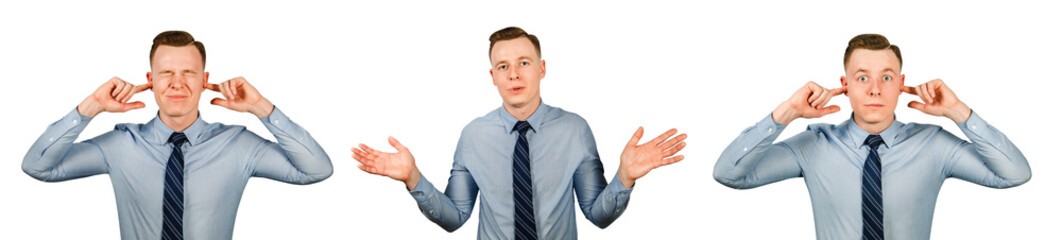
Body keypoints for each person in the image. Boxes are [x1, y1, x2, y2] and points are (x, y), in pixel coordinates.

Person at [351, 27, 687, 239]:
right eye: (503, 66)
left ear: (541, 69)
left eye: (524, 63)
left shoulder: (575, 130)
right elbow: (454, 218)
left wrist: (625, 177)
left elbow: (598, 216)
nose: (514, 74)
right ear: (492, 76)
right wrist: (413, 178)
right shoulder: (473, 136)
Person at [713, 33, 1031, 239]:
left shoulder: (934, 144)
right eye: (862, 77)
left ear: (901, 82)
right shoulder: (814, 144)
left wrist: (959, 112)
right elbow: (729, 174)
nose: (875, 89)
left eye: (887, 77)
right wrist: (786, 113)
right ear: (845, 83)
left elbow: (1015, 174)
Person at [21, 31, 333, 239]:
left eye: (188, 73)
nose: (177, 83)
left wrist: (262, 108)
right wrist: (90, 107)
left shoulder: (238, 144)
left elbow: (316, 170)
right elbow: (38, 166)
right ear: (151, 80)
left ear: (204, 80)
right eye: (167, 73)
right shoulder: (120, 144)